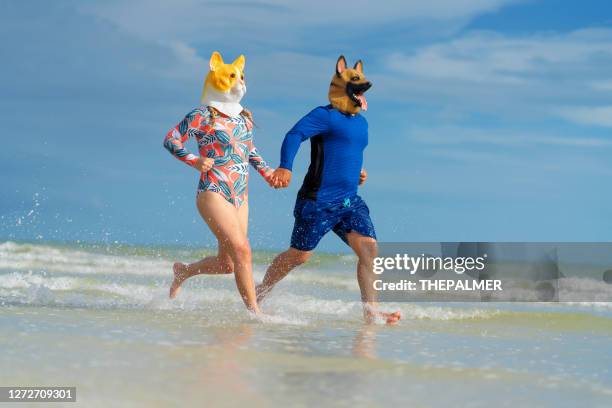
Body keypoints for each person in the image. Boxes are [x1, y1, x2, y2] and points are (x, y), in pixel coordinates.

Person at [257, 56, 401, 324]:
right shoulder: (325, 115)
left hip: (349, 201)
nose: (362, 93)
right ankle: (259, 293)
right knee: (299, 256)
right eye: (356, 86)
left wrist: (358, 172)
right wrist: (285, 166)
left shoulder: (362, 123)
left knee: (370, 251)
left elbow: (347, 153)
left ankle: (371, 312)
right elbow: (294, 135)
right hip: (318, 200)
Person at [163, 51, 273, 315]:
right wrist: (194, 160)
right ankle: (254, 314)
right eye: (233, 76)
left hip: (240, 194)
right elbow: (171, 139)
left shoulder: (244, 117)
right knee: (243, 249)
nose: (241, 82)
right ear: (217, 77)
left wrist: (267, 173)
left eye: (242, 77)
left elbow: (248, 150)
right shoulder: (203, 114)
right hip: (213, 190)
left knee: (228, 264)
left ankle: (183, 272)